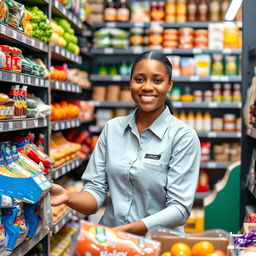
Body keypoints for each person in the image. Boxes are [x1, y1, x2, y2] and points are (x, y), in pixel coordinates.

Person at [50, 51, 201, 235]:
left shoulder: (183, 137)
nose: (147, 87)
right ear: (130, 82)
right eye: (139, 79)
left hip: (158, 244)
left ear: (169, 85)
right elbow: (95, 193)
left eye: (157, 80)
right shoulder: (112, 129)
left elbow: (179, 210)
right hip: (114, 243)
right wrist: (68, 196)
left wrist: (129, 230)